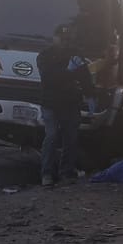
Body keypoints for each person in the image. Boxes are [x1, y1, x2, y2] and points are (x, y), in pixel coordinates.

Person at [36, 25, 95, 187]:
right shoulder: (45, 56)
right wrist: (68, 71)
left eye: (67, 39)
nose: (64, 42)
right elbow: (49, 78)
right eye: (61, 39)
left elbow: (85, 77)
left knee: (71, 138)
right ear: (54, 38)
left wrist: (90, 96)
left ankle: (66, 173)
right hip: (51, 104)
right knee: (52, 135)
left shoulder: (75, 55)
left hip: (70, 103)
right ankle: (47, 174)